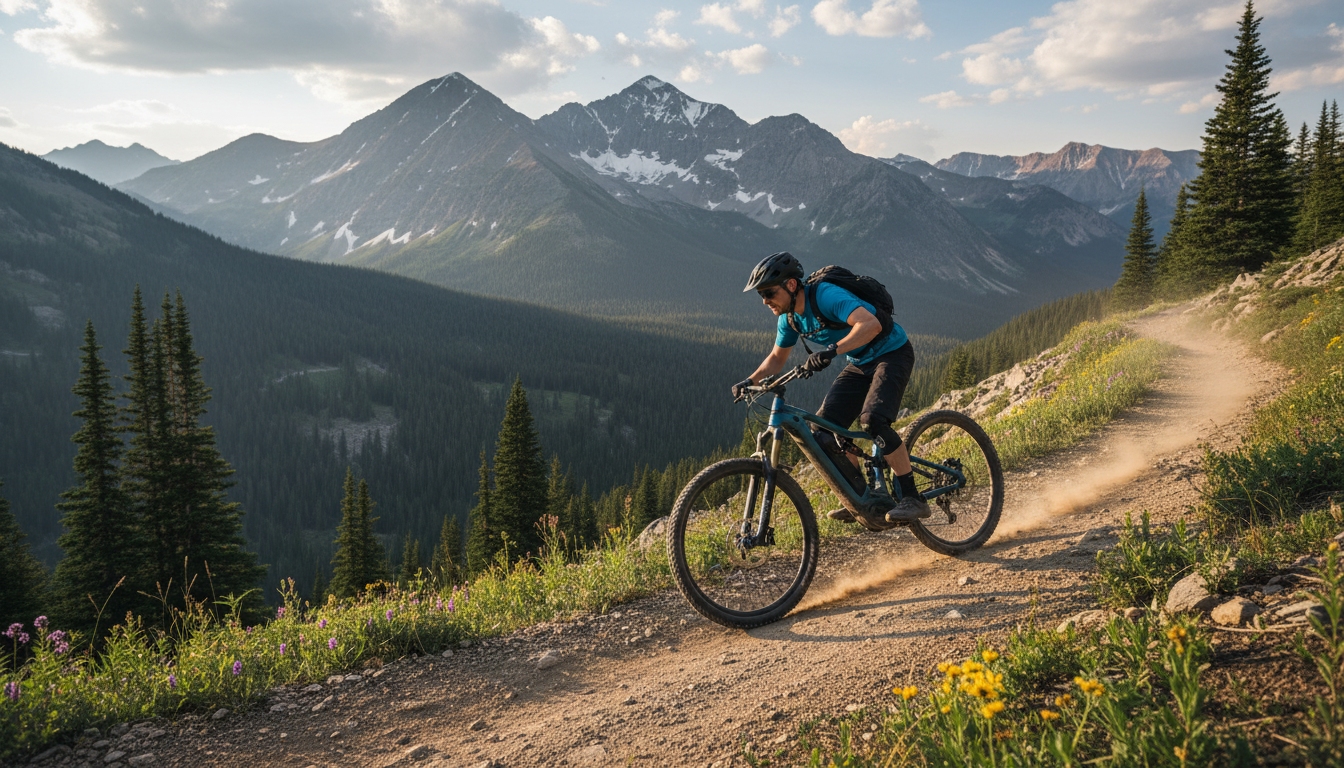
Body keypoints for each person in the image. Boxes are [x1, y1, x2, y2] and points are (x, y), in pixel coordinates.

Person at [731, 251, 928, 528]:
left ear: (790, 285)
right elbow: (776, 358)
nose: (765, 301)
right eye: (760, 295)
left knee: (873, 420)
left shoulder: (824, 296)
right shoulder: (789, 319)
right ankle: (861, 498)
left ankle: (912, 497)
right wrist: (749, 381)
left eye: (769, 293)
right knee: (824, 429)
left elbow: (871, 324)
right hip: (859, 362)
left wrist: (833, 350)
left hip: (892, 353)